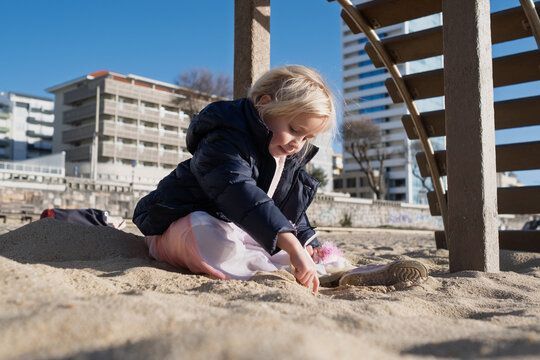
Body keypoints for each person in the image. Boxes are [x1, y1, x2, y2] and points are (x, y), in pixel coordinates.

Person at [133, 65, 427, 292]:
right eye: (294, 129)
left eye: (307, 137)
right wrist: (292, 247)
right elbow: (238, 193)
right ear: (264, 105)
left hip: (239, 228)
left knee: (284, 244)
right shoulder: (223, 141)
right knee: (205, 232)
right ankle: (287, 271)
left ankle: (334, 270)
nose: (298, 142)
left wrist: (307, 242)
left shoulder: (285, 158)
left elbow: (289, 213)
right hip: (174, 226)